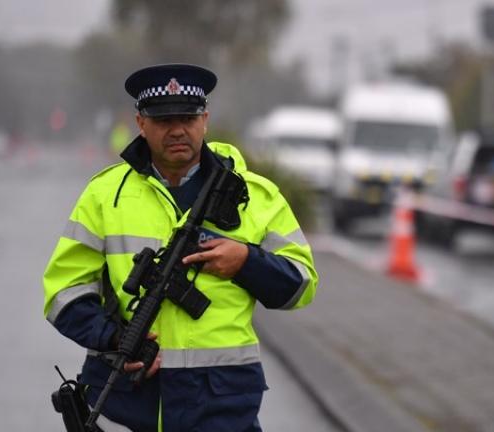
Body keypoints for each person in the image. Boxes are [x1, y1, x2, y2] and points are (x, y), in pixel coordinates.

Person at [43, 64, 318, 431]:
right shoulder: (104, 195)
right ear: (140, 123)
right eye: (162, 120)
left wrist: (246, 262)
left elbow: (302, 285)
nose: (177, 130)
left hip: (223, 411)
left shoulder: (257, 196)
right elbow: (62, 291)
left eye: (187, 117)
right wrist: (112, 335)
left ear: (205, 119)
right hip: (127, 408)